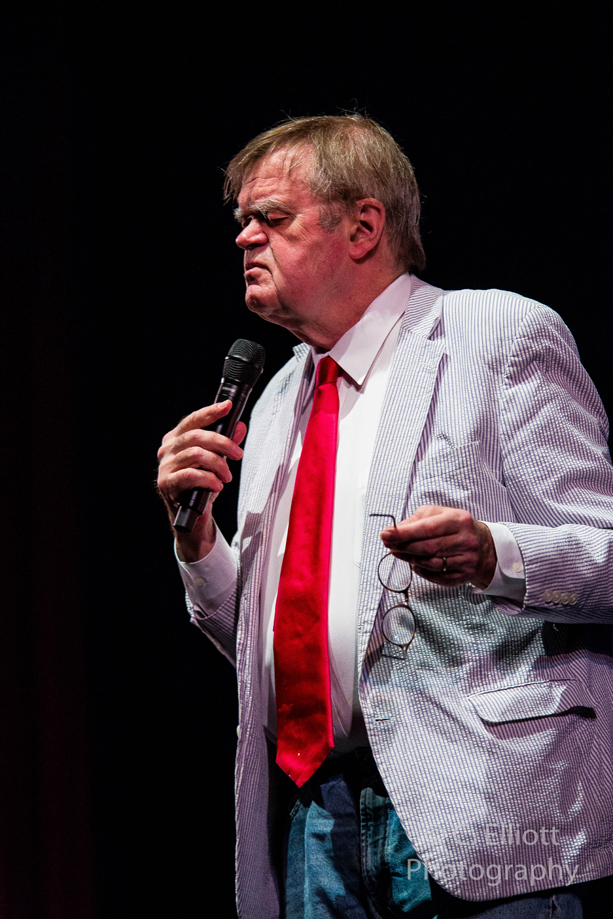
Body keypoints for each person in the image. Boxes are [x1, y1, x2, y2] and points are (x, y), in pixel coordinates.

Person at [157, 115, 613, 919]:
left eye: (272, 217)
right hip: (315, 816)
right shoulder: (278, 400)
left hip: (482, 804)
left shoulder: (494, 335)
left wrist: (494, 553)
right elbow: (269, 649)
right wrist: (196, 541)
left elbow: (603, 554)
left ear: (363, 226)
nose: (244, 238)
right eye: (242, 220)